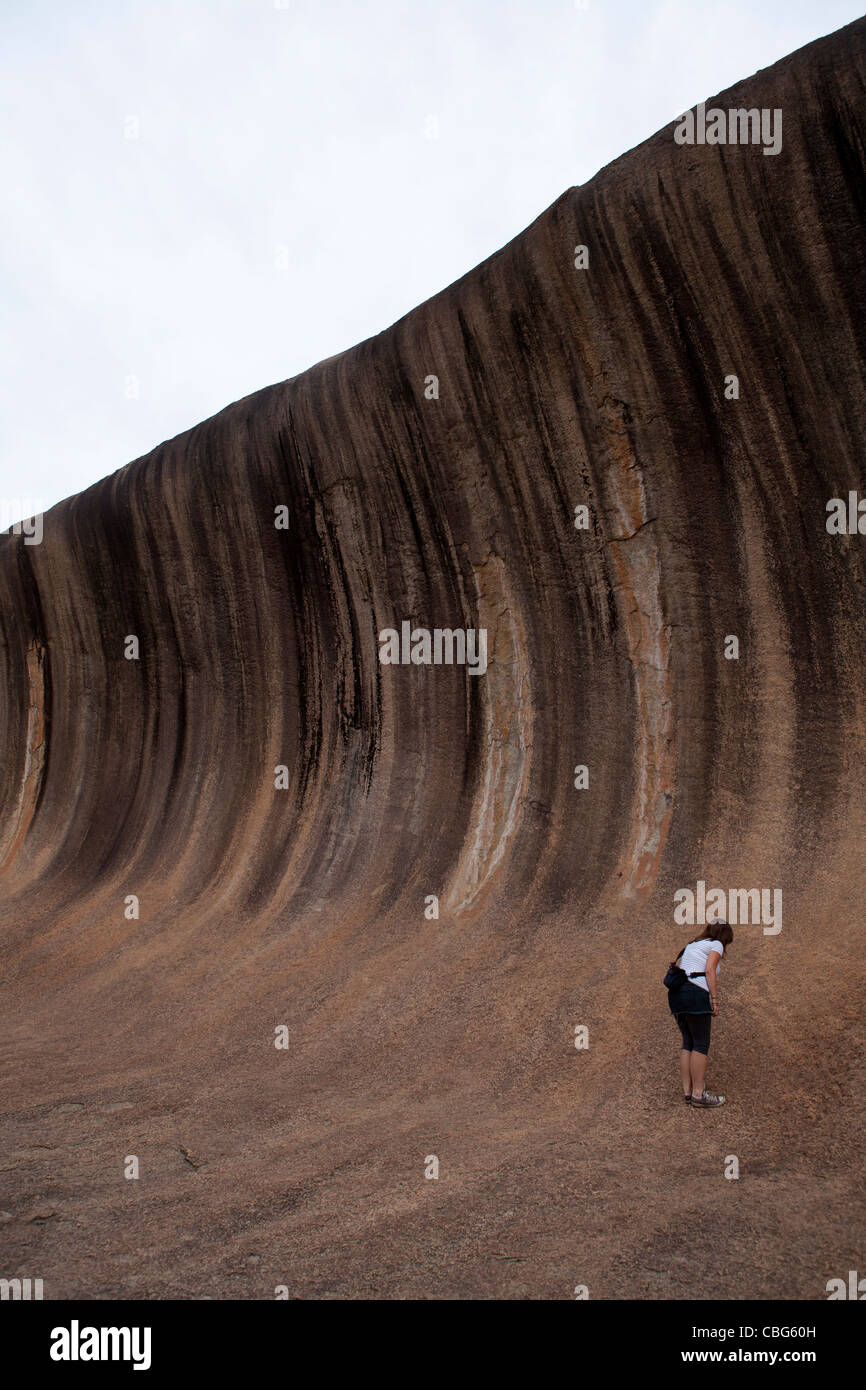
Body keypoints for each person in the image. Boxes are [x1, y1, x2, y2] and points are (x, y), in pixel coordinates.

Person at [668, 923, 733, 1107]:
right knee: (701, 1043)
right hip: (695, 993)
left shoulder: (692, 944)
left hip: (676, 994)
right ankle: (698, 1094)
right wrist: (714, 1000)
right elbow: (710, 970)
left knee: (688, 1041)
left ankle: (688, 1092)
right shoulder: (716, 944)